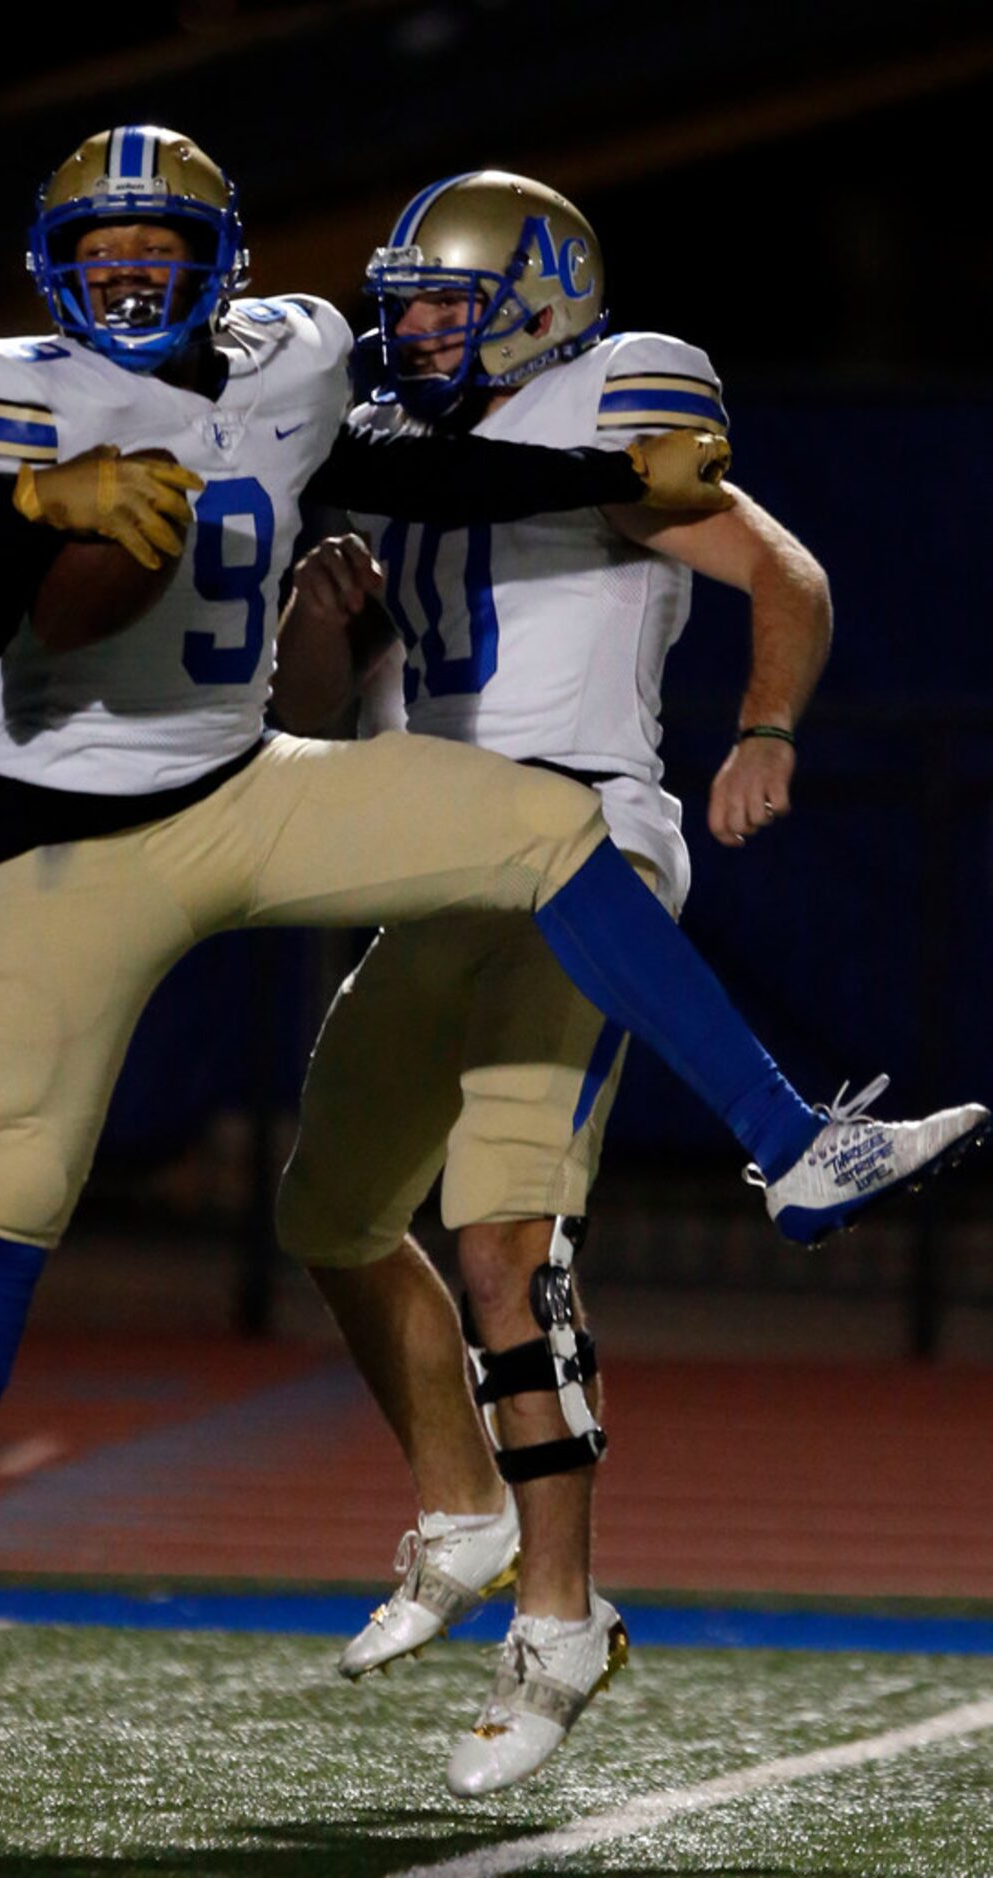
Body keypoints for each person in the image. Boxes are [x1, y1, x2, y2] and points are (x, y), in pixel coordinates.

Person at [0, 126, 984, 1755]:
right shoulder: (47, 387)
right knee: (102, 1197)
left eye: (157, 253)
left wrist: (716, 646)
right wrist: (41, 508)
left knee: (531, 998)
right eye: (100, 255)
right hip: (74, 842)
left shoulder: (332, 369)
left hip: (306, 795)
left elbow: (540, 499)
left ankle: (775, 1168)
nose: (420, 331)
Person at [272, 168, 988, 1798]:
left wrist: (762, 726)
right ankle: (459, 1510)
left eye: (449, 305)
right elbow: (330, 707)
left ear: (537, 301)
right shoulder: (405, 462)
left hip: (579, 850)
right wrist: (323, 625)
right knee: (325, 1214)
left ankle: (557, 1619)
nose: (419, 333)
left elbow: (784, 574)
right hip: (436, 856)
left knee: (505, 1245)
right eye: (411, 308)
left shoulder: (613, 411)